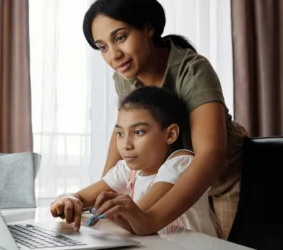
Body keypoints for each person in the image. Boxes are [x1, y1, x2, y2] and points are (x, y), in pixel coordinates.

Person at [79, 0, 249, 239]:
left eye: (120, 38)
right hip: (171, 178)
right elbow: (124, 130)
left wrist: (151, 219)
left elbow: (210, 155)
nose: (114, 55)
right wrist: (101, 198)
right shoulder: (124, 77)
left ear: (149, 28)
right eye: (102, 47)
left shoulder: (192, 69)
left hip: (222, 179)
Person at [50, 86, 218, 237]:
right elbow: (80, 196)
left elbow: (140, 218)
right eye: (120, 133)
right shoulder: (128, 170)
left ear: (170, 134)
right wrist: (68, 199)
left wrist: (105, 208)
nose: (126, 145)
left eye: (138, 132)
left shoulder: (181, 164)